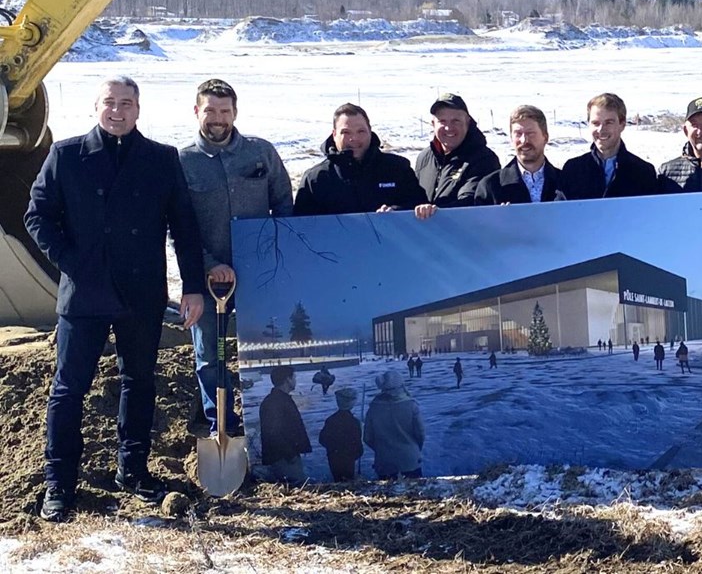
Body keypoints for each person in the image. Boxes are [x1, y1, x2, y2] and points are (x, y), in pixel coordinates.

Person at [25, 76, 205, 521]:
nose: (118, 111)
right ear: (96, 106)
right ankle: (59, 483)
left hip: (141, 292)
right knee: (69, 389)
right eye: (110, 103)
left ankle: (134, 470)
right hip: (84, 293)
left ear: (139, 110)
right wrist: (71, 261)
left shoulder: (161, 159)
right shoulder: (66, 155)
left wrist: (194, 287)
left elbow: (184, 227)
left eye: (127, 104)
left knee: (139, 381)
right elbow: (38, 216)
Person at [179, 78, 294, 440]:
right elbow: (179, 226)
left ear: (235, 112)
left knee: (265, 351)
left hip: (259, 275)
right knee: (211, 355)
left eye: (224, 111)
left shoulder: (260, 153)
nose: (217, 118)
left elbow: (284, 206)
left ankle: (268, 425)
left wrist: (276, 256)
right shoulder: (183, 162)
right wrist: (209, 264)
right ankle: (221, 426)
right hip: (209, 278)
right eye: (210, 110)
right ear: (196, 111)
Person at [294, 103, 426, 215]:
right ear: (334, 135)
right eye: (346, 132)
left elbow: (420, 207)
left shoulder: (397, 169)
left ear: (370, 131)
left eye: (361, 131)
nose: (354, 139)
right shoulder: (316, 179)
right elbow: (302, 228)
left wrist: (397, 212)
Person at [561, 93, 658, 199]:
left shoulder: (643, 172)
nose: (601, 130)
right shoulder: (573, 170)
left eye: (609, 122)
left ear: (622, 124)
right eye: (596, 123)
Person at [413, 93, 500, 208]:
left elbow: (471, 201)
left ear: (468, 122)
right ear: (433, 124)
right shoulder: (424, 158)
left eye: (456, 121)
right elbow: (412, 199)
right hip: (426, 225)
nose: (449, 128)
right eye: (442, 121)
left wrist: (435, 213)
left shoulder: (484, 159)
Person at [470, 105, 567, 204]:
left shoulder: (566, 181)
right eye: (518, 134)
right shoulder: (491, 186)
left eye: (530, 133)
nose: (524, 140)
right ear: (511, 138)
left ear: (545, 137)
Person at [365, 369, 425, 479]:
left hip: (384, 463)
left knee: (388, 495)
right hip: (410, 460)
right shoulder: (411, 405)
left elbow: (367, 438)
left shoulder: (373, 407)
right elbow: (420, 434)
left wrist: (381, 449)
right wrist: (415, 448)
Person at [259, 367, 312, 483]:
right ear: (288, 379)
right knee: (296, 484)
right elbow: (273, 432)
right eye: (294, 377)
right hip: (284, 459)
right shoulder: (276, 402)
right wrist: (291, 455)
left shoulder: (279, 399)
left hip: (286, 456)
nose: (295, 380)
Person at [319, 388, 364, 482]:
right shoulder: (354, 422)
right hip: (349, 458)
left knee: (337, 479)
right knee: (349, 480)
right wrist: (357, 453)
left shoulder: (330, 420)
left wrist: (332, 448)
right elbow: (358, 445)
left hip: (333, 457)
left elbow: (322, 439)